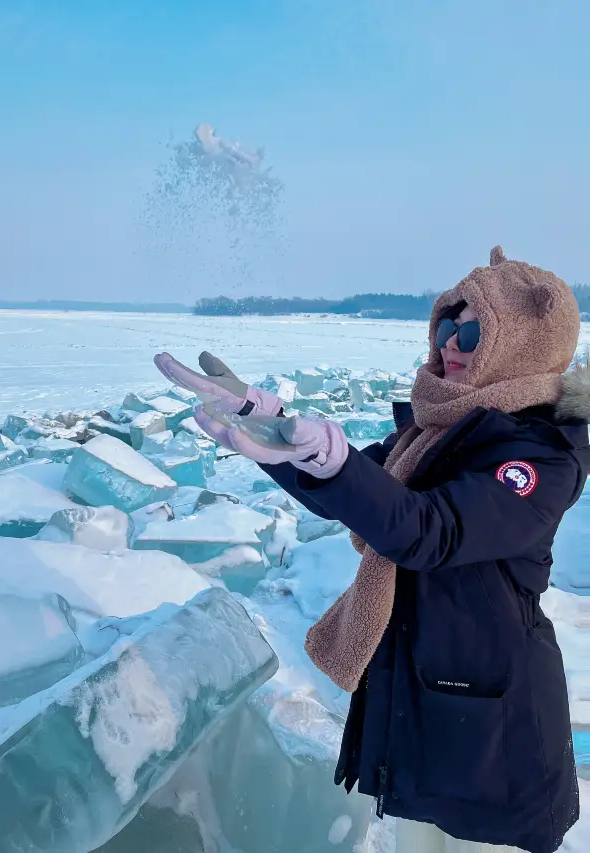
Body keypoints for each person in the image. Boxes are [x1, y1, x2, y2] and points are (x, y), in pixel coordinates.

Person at [154, 247, 589, 853]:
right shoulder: (436, 431)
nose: (450, 346)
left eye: (473, 330)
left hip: (495, 730)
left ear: (525, 344)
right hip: (422, 697)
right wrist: (273, 426)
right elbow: (359, 491)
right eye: (445, 324)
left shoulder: (539, 457)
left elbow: (427, 530)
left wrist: (330, 463)